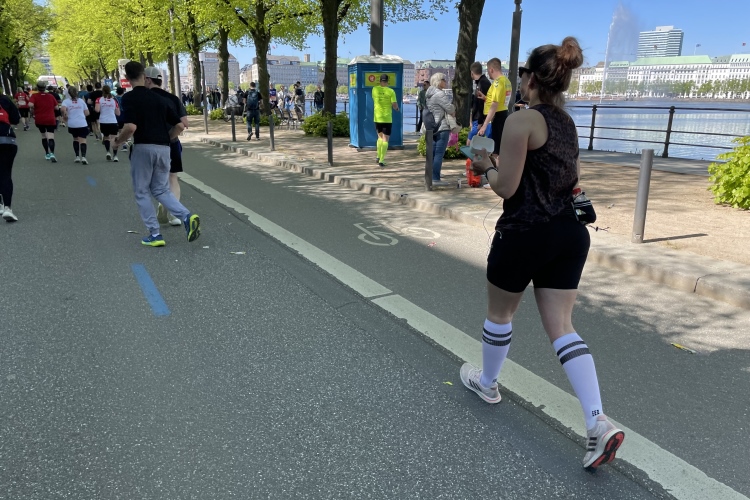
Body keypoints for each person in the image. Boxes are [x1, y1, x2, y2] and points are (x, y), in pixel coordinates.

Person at [462, 37, 625, 470]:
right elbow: (566, 179)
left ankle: (488, 383)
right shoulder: (567, 123)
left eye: (521, 76)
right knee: (563, 328)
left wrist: (485, 165)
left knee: (500, 314)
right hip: (568, 234)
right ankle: (597, 421)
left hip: (525, 232)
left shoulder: (522, 121)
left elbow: (506, 187)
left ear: (531, 79)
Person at [113, 61, 201, 247]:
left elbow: (130, 127)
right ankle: (187, 216)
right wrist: (167, 139)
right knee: (161, 189)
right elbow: (180, 125)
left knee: (142, 191)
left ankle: (155, 234)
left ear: (127, 78)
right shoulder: (160, 99)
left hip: (143, 147)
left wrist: (118, 141)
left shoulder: (129, 98)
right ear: (144, 76)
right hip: (164, 149)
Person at [143, 66, 190, 228]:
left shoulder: (143, 99)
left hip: (151, 144)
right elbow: (184, 123)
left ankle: (163, 203)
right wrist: (171, 136)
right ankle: (174, 213)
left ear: (148, 80)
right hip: (173, 143)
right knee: (172, 177)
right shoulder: (173, 98)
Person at [478, 58, 512, 157]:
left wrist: (485, 125)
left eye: (488, 70)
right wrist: (486, 98)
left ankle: (496, 166)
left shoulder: (498, 83)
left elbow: (495, 104)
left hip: (496, 116)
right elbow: (500, 100)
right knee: (499, 146)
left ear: (491, 69)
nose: (488, 73)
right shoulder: (506, 81)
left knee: (496, 150)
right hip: (503, 113)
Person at [424, 73, 453, 185]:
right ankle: (435, 178)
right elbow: (450, 108)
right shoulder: (440, 94)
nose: (445, 81)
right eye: (443, 79)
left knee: (432, 153)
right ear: (439, 81)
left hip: (432, 127)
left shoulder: (429, 94)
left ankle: (430, 176)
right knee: (439, 153)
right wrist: (453, 108)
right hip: (442, 126)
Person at [0, 91, 21, 222]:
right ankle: (7, 208)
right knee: (5, 173)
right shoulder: (5, 100)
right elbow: (16, 119)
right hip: (6, 140)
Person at [29, 81, 60, 162]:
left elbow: (30, 105)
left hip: (40, 119)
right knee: (51, 136)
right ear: (45, 88)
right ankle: (52, 153)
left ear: (37, 88)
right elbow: (56, 108)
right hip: (50, 118)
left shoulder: (34, 96)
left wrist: (34, 107)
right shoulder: (50, 96)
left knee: (44, 136)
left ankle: (47, 153)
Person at [372, 74, 399, 168]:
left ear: (380, 81)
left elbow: (375, 99)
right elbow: (394, 105)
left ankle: (378, 156)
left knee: (379, 137)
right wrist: (397, 108)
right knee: (385, 139)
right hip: (387, 118)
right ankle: (382, 160)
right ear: (387, 81)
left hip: (377, 117)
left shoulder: (374, 89)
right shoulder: (391, 91)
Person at [61, 87, 91, 164]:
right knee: (83, 140)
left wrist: (65, 114)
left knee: (75, 139)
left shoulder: (66, 101)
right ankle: (83, 157)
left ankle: (77, 156)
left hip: (72, 124)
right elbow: (87, 113)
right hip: (82, 123)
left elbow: (63, 109)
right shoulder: (81, 101)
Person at [467, 62, 492, 145]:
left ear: (472, 72)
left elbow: (481, 103)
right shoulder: (482, 82)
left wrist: (480, 122)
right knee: (474, 143)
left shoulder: (482, 83)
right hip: (480, 118)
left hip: (479, 119)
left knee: (470, 142)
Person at [95, 85, 120, 161]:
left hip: (103, 121)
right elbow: (118, 113)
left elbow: (97, 110)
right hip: (113, 121)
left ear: (102, 91)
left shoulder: (99, 99)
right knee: (114, 138)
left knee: (106, 137)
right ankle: (115, 155)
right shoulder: (114, 100)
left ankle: (108, 152)